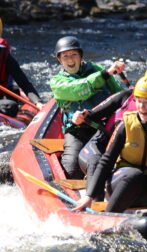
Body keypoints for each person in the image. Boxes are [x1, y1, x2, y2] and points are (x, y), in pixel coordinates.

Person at [74, 75, 147, 214]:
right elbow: (106, 162)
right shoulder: (126, 125)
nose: (141, 107)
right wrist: (89, 196)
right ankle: (110, 216)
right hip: (122, 183)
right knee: (134, 175)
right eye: (138, 101)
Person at [73, 62, 147, 199]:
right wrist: (80, 116)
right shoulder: (125, 96)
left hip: (127, 162)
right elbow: (92, 115)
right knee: (97, 161)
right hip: (101, 148)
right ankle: (93, 199)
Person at [50, 36, 125, 179]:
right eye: (65, 56)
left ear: (81, 56)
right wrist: (106, 73)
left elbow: (118, 95)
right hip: (77, 130)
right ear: (59, 60)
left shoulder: (96, 69)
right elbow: (80, 88)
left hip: (103, 128)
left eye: (74, 55)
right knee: (72, 171)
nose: (70, 60)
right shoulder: (56, 82)